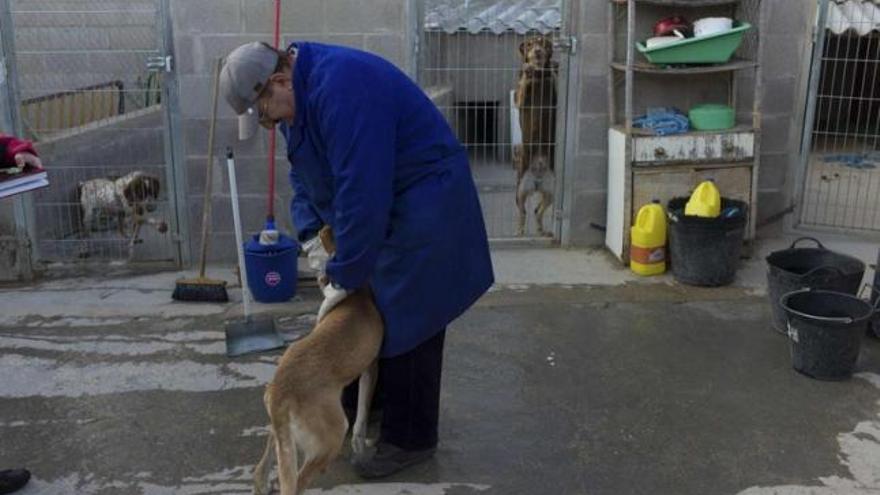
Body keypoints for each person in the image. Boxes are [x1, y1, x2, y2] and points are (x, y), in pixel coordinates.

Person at [219, 41, 494, 478]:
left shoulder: (343, 88)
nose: (270, 124)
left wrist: (344, 272)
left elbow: (361, 193)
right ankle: (370, 412)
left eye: (266, 113)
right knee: (375, 312)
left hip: (426, 203)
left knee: (411, 317)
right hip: (389, 203)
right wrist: (310, 232)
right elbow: (304, 172)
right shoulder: (299, 100)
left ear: (278, 80)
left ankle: (410, 438)